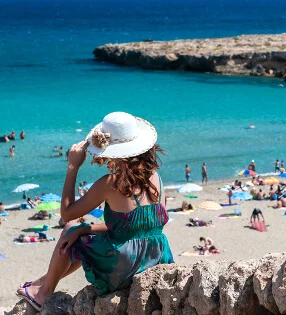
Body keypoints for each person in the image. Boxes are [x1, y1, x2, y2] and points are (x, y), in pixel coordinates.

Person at [16, 112, 174, 311]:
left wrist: (73, 167)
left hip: (126, 266)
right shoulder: (156, 178)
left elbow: (66, 213)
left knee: (70, 228)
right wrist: (85, 229)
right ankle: (43, 281)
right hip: (156, 256)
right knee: (78, 230)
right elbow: (134, 228)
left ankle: (43, 293)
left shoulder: (110, 183)